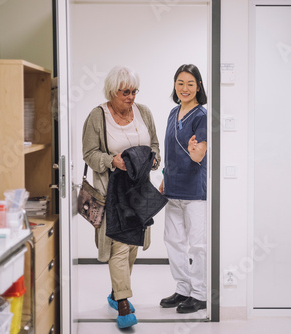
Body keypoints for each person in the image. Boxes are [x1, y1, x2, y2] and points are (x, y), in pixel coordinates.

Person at [82, 66, 161, 328]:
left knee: (132, 247)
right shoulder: (97, 116)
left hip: (139, 193)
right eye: (125, 92)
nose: (131, 97)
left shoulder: (144, 113)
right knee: (119, 247)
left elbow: (154, 147)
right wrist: (112, 160)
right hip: (112, 194)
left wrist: (152, 160)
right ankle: (124, 304)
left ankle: (116, 293)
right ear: (112, 91)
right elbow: (90, 153)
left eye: (134, 91)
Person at [159, 64, 208, 313]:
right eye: (180, 83)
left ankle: (200, 294)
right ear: (175, 85)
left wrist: (194, 150)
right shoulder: (172, 113)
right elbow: (170, 152)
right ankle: (183, 289)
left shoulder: (201, 115)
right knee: (173, 241)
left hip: (194, 191)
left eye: (190, 83)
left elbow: (199, 155)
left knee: (197, 245)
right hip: (173, 188)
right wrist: (164, 178)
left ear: (198, 86)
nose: (185, 88)